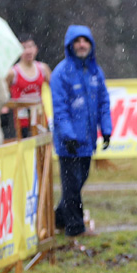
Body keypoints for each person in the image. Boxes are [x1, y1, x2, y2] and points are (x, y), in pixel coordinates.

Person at [51, 25, 113, 237]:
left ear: (91, 44)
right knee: (71, 186)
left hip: (88, 141)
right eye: (77, 41)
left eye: (85, 41)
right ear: (70, 45)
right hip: (68, 143)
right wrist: (68, 136)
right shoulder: (61, 73)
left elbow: (103, 102)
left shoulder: (95, 72)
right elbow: (60, 109)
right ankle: (75, 228)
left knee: (79, 181)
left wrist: (106, 130)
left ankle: (58, 218)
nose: (81, 45)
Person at [7, 34, 53, 137]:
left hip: (40, 118)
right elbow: (3, 93)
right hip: (21, 122)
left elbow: (56, 90)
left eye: (31, 47)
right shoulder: (12, 73)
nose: (28, 51)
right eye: (24, 48)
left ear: (36, 49)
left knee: (43, 148)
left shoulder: (43, 69)